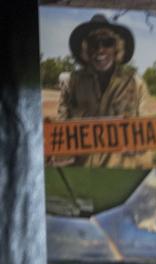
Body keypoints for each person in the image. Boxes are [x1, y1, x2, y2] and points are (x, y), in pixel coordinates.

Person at [57, 14, 147, 166]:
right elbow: (61, 132)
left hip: (122, 172)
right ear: (86, 48)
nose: (100, 49)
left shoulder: (136, 84)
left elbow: (147, 136)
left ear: (117, 47)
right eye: (94, 43)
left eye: (107, 42)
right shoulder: (71, 83)